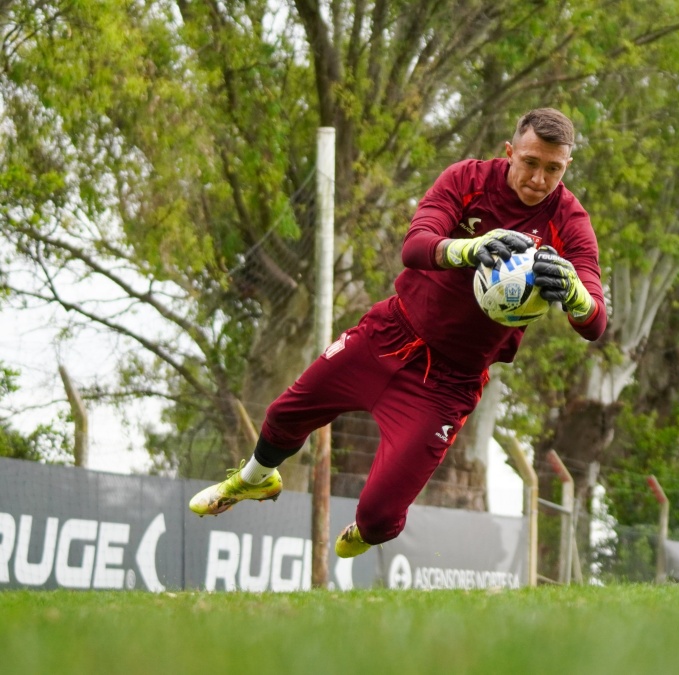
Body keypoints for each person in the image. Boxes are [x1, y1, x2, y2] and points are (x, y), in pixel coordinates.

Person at [189, 107, 608, 558]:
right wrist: (469, 248)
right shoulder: (466, 179)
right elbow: (415, 246)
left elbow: (596, 322)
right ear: (509, 152)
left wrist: (577, 296)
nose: (539, 179)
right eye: (530, 163)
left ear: (566, 167)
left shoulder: (568, 220)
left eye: (553, 169)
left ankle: (368, 530)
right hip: (389, 333)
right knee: (284, 413)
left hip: (448, 383)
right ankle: (255, 478)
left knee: (379, 518)